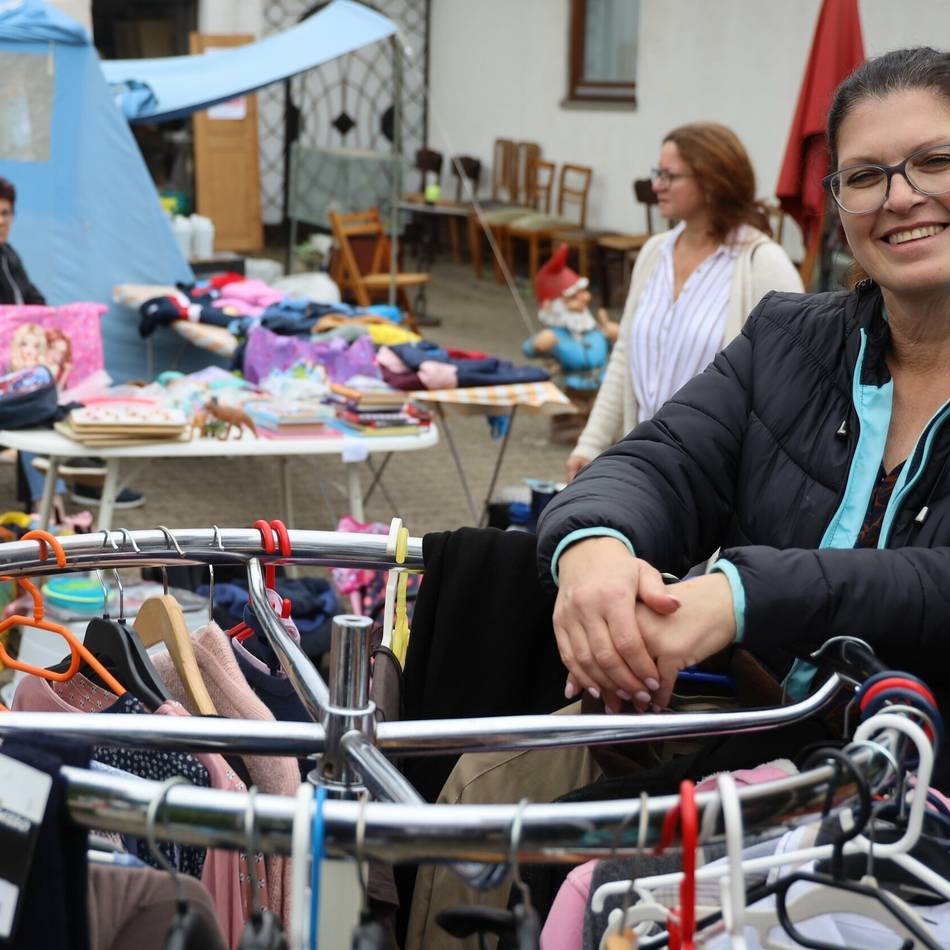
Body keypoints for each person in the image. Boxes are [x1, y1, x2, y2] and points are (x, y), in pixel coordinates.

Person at [539, 46, 950, 771]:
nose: (899, 197)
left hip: (920, 811)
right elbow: (661, 459)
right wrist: (595, 544)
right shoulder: (787, 337)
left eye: (935, 161)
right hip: (757, 758)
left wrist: (738, 595)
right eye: (864, 176)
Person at [565, 122, 803, 482]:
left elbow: (792, 384)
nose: (656, 185)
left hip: (715, 477)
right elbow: (624, 356)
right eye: (656, 173)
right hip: (639, 464)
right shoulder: (653, 253)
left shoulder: (762, 264)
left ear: (712, 180)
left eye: (669, 175)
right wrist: (591, 444)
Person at [0, 176, 144, 512]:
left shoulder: (9, 256)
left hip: (24, 367)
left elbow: (37, 303)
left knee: (77, 391)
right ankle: (50, 503)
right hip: (9, 377)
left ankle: (85, 479)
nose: (0, 221)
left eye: (6, 213)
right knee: (37, 409)